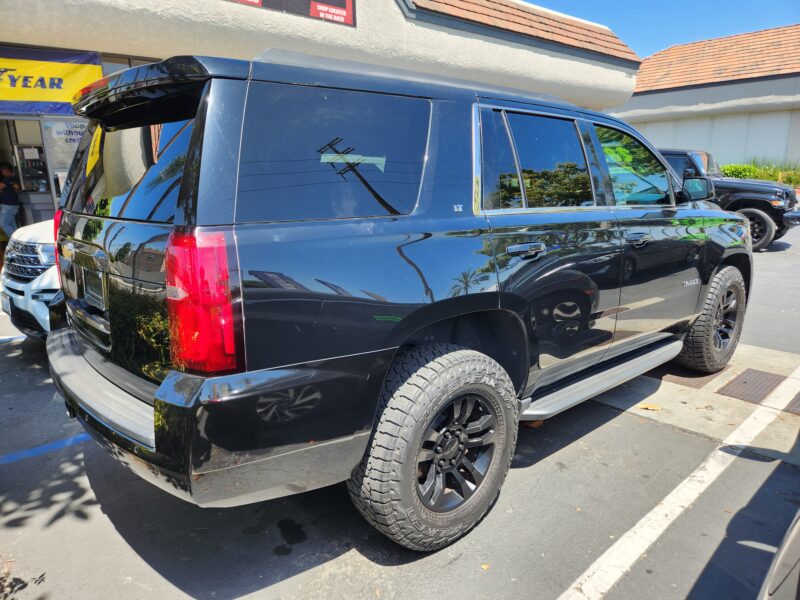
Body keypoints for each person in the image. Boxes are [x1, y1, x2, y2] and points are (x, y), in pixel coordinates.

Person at [0, 162, 21, 238]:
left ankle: (15, 242)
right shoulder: (10, 179)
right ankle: (19, 241)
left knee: (4, 223)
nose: (2, 172)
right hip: (9, 205)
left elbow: (1, 186)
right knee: (12, 225)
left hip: (8, 205)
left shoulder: (10, 178)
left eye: (2, 170)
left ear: (5, 170)